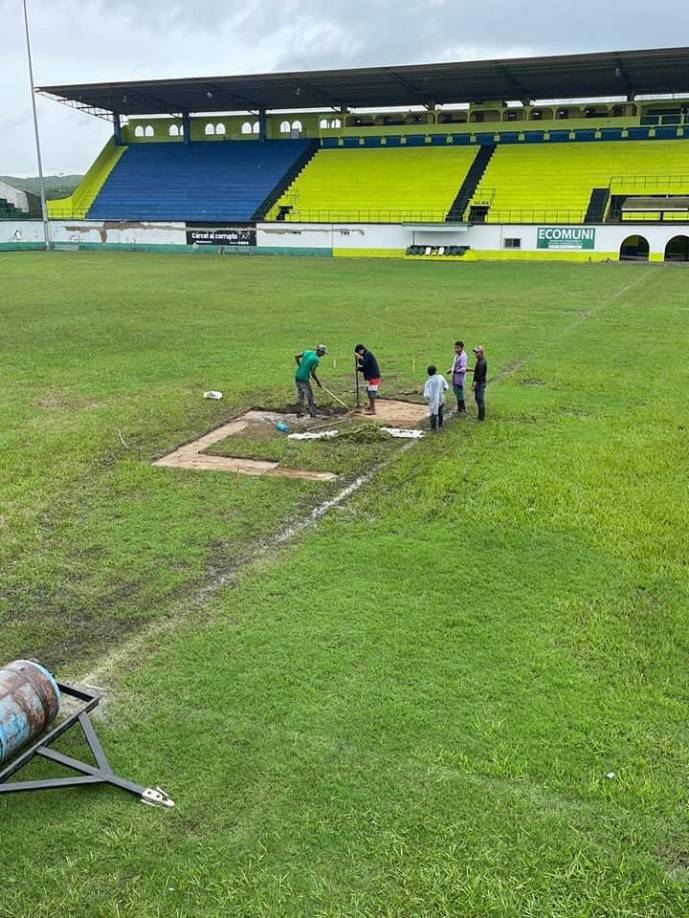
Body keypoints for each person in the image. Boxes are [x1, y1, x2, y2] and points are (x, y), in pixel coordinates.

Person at [294, 345, 327, 417]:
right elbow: (313, 373)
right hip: (304, 378)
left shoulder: (307, 352)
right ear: (319, 352)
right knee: (310, 396)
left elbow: (296, 356)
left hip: (297, 376)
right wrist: (318, 382)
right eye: (323, 353)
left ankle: (300, 412)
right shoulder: (316, 359)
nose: (323, 355)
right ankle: (313, 414)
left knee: (300, 394)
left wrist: (300, 366)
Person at [354, 344, 381, 415]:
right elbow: (365, 366)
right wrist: (359, 369)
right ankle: (370, 406)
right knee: (368, 390)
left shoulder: (368, 354)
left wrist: (359, 358)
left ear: (361, 350)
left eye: (359, 353)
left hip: (374, 377)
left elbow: (364, 363)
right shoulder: (366, 355)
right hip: (371, 377)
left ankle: (373, 410)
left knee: (371, 393)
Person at [423, 365, 449, 431]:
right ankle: (441, 423)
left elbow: (426, 395)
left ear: (428, 373)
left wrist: (428, 400)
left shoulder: (428, 383)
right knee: (440, 411)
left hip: (433, 401)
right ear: (435, 371)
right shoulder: (441, 377)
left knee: (433, 414)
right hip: (441, 398)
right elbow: (446, 387)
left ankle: (434, 428)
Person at [447, 340, 468, 414]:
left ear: (462, 348)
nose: (456, 349)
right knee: (457, 393)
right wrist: (451, 370)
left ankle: (462, 409)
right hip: (455, 377)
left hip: (459, 378)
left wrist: (457, 371)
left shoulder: (463, 357)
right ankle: (461, 409)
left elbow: (464, 368)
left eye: (458, 348)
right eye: (455, 348)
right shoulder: (457, 356)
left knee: (459, 393)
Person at [471, 345, 488, 421]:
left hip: (480, 384)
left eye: (477, 352)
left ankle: (481, 418)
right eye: (475, 352)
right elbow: (478, 372)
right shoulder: (480, 361)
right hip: (480, 383)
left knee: (480, 400)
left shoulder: (481, 363)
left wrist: (475, 384)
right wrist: (472, 369)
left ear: (481, 353)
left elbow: (479, 376)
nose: (475, 354)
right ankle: (480, 416)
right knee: (478, 399)